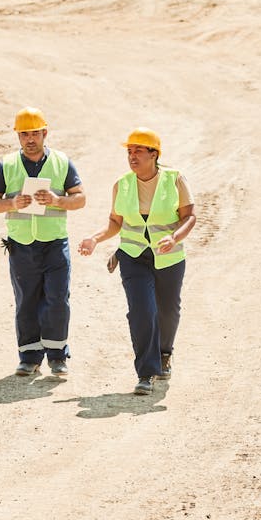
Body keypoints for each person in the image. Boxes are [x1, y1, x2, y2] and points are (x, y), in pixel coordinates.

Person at [78, 128, 195, 396]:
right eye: (129, 151)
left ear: (154, 154)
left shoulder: (175, 180)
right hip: (132, 256)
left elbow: (189, 216)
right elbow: (116, 223)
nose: (132, 156)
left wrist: (175, 238)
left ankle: (165, 353)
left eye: (138, 151)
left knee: (168, 311)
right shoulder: (123, 184)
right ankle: (146, 372)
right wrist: (96, 239)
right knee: (142, 311)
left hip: (169, 256)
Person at [0, 107, 86, 377]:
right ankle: (29, 357)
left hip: (54, 243)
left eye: (35, 133)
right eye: (24, 134)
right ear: (18, 136)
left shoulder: (62, 162)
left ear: (45, 133)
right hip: (21, 244)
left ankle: (57, 355)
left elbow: (80, 199)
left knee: (57, 298)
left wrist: (57, 200)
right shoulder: (7, 165)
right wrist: (11, 203)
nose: (30, 139)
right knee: (26, 300)